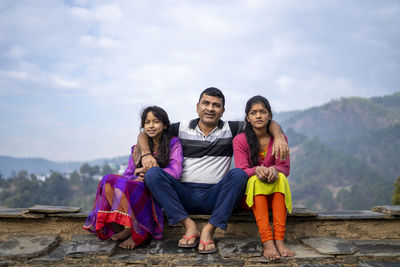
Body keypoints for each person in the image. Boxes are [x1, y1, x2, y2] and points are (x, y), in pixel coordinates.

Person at [139, 87, 289, 254]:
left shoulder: (231, 129)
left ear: (223, 111)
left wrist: (279, 136)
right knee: (153, 174)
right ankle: (189, 226)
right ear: (197, 107)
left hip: (216, 196)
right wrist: (146, 154)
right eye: (206, 103)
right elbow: (146, 132)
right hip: (184, 194)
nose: (210, 108)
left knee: (239, 174)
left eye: (216, 105)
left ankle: (209, 229)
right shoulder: (182, 128)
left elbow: (263, 121)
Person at [83, 106, 183, 249]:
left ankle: (139, 233)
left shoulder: (173, 144)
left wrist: (151, 173)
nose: (151, 126)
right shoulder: (138, 149)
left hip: (159, 188)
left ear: (165, 125)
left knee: (133, 188)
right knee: (108, 180)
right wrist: (138, 175)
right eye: (147, 122)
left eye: (156, 121)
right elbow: (128, 174)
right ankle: (128, 227)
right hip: (139, 184)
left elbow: (176, 171)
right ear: (143, 126)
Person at [233, 95, 294, 260]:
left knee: (281, 178)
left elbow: (285, 168)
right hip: (249, 199)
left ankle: (279, 240)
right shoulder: (240, 140)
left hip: (273, 198)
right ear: (248, 117)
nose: (258, 116)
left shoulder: (280, 140)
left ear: (270, 115)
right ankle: (267, 241)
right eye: (253, 113)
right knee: (255, 180)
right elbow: (241, 170)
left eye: (263, 112)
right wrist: (257, 170)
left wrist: (274, 170)